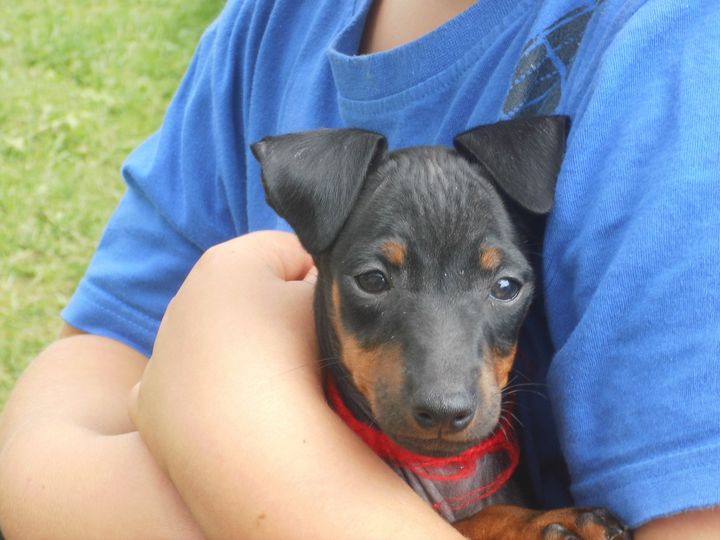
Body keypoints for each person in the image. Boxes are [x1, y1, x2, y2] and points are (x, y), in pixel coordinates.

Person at [1, 0, 719, 538]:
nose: (446, 396)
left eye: (504, 287)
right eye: (376, 279)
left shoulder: (673, 62)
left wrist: (227, 421)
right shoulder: (269, 26)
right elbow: (44, 446)